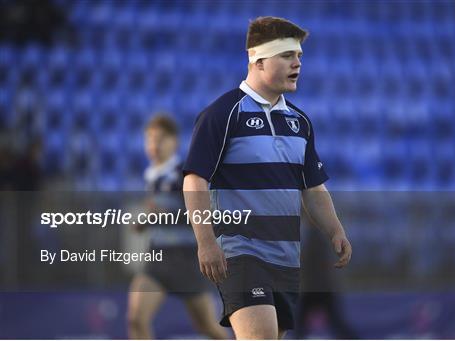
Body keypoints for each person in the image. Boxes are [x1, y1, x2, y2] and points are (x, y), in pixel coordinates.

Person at [182, 16, 352, 339]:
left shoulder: (300, 122)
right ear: (258, 60)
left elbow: (313, 189)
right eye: (288, 55)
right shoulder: (222, 114)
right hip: (240, 253)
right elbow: (194, 180)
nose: (297, 63)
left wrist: (335, 229)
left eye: (300, 56)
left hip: (287, 259)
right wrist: (205, 242)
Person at [127, 114, 227, 339]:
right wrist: (144, 223)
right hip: (157, 257)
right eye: (150, 139)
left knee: (207, 327)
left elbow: (205, 213)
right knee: (136, 319)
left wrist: (167, 216)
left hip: (186, 260)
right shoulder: (152, 177)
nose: (155, 145)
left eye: (161, 139)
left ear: (175, 142)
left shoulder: (183, 175)